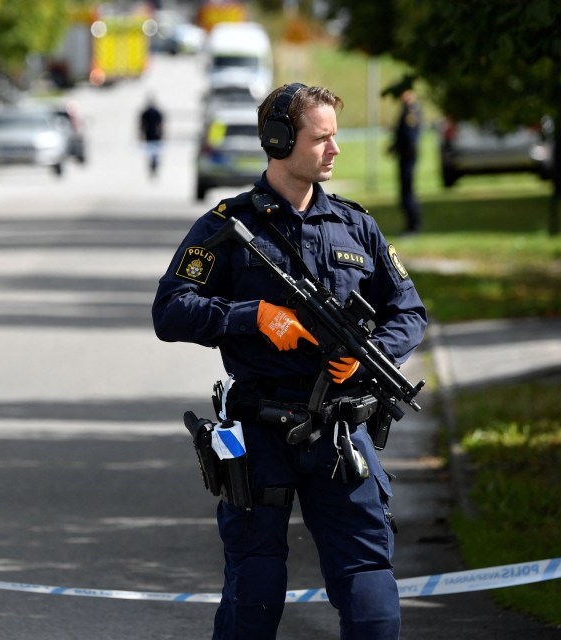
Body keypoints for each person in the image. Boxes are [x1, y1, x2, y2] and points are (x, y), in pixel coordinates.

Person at [152, 83, 427, 639]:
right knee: (253, 594)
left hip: (342, 435)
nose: (334, 149)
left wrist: (364, 358)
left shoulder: (356, 226)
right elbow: (171, 310)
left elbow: (410, 313)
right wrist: (252, 316)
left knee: (372, 595)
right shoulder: (229, 227)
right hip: (260, 430)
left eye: (334, 136)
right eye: (321, 137)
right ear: (279, 140)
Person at [384, 75, 423, 234]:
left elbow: (409, 136)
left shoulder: (412, 110)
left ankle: (413, 226)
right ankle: (410, 225)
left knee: (407, 192)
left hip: (408, 156)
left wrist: (397, 145)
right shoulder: (407, 109)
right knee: (404, 192)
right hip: (405, 155)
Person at [139, 95, 164, 177]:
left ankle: (153, 167)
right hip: (155, 135)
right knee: (154, 154)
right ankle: (153, 167)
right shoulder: (156, 112)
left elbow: (142, 125)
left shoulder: (146, 112)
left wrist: (140, 134)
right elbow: (161, 124)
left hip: (149, 135)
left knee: (151, 153)